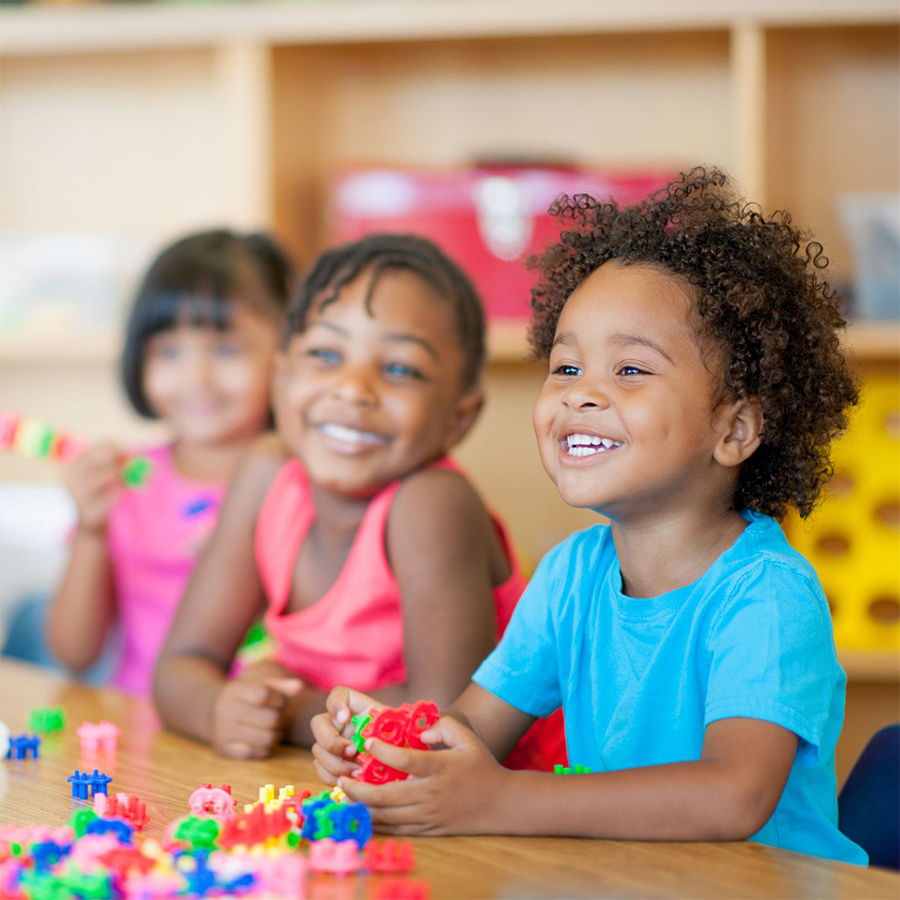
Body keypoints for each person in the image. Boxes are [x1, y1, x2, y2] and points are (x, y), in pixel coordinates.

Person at [311, 169, 867, 865]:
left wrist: (499, 799)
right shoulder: (571, 575)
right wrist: (391, 747)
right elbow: (472, 731)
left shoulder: (765, 595)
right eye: (566, 368)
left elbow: (731, 795)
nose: (581, 396)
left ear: (735, 429)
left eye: (630, 370)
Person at [153, 233, 565, 769]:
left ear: (458, 418)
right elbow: (180, 666)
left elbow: (441, 720)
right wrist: (218, 708)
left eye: (399, 369)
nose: (352, 389)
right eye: (325, 355)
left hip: (506, 806)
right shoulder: (267, 475)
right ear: (281, 380)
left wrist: (285, 710)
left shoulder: (431, 504)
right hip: (349, 785)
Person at [47, 229, 294, 697]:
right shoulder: (126, 482)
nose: (195, 379)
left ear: (284, 356)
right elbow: (74, 653)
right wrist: (91, 529)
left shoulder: (301, 485)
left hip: (260, 734)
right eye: (169, 351)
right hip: (143, 736)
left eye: (225, 349)